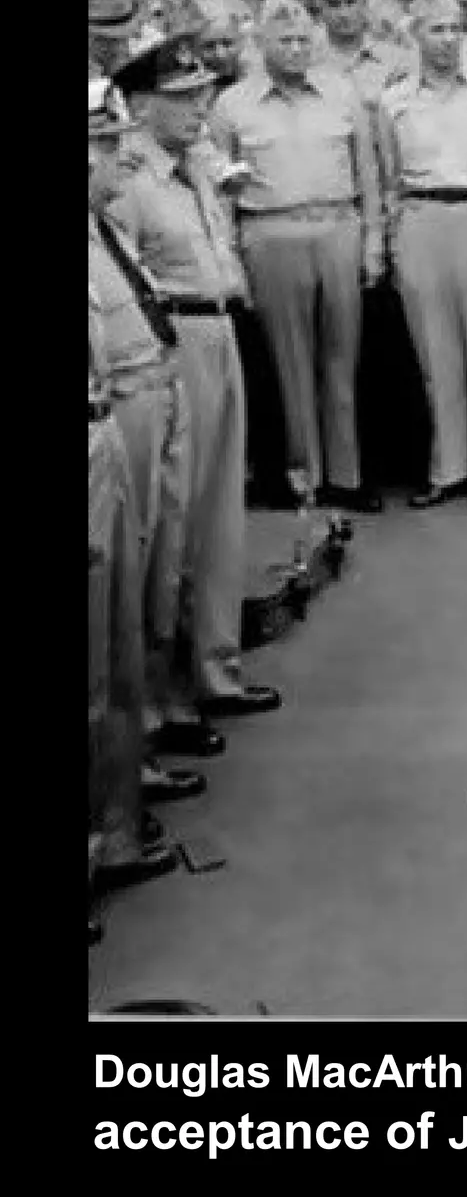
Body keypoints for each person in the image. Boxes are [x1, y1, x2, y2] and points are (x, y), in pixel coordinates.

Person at [107, 37, 282, 725]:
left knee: (218, 514)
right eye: (180, 99)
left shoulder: (197, 165)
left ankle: (215, 669)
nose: (197, 109)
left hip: (221, 328)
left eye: (201, 94)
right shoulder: (127, 178)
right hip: (172, 341)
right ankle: (162, 698)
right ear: (141, 106)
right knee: (171, 522)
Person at [211, 0, 385, 513]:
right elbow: (219, 191)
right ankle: (302, 476)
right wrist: (229, 260)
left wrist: (373, 242)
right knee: (289, 363)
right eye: (283, 41)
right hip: (270, 231)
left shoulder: (341, 93)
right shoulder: (233, 105)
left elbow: (369, 175)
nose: (294, 49)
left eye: (303, 40)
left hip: (337, 226)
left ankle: (346, 476)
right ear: (260, 45)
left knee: (342, 357)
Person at [88, 80, 187, 901]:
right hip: (104, 423)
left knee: (125, 627)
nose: (120, 152)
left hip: (116, 423)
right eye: (101, 142)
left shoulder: (102, 226)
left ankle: (120, 819)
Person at [375, 0, 467, 507]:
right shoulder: (393, 100)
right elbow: (387, 179)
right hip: (421, 217)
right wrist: (390, 241)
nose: (447, 40)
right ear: (415, 35)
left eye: (455, 28)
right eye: (436, 29)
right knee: (434, 351)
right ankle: (449, 468)